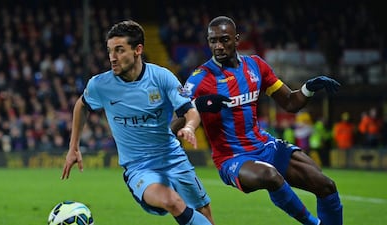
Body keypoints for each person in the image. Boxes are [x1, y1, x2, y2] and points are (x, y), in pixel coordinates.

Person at [178, 16, 343, 225]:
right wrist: (198, 106)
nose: (218, 46)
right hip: (232, 157)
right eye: (213, 41)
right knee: (270, 175)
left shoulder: (256, 66)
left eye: (224, 40)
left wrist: (308, 88)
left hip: (265, 145)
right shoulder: (199, 79)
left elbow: (291, 102)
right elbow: (176, 120)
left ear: (237, 39)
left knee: (325, 185)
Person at [61, 20, 215, 225]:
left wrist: (188, 126)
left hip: (174, 158)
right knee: (173, 201)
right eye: (109, 51)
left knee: (204, 213)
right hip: (139, 168)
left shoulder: (162, 77)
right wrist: (74, 147)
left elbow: (189, 110)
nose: (112, 58)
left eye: (119, 50)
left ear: (138, 50)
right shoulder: (100, 85)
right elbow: (81, 105)